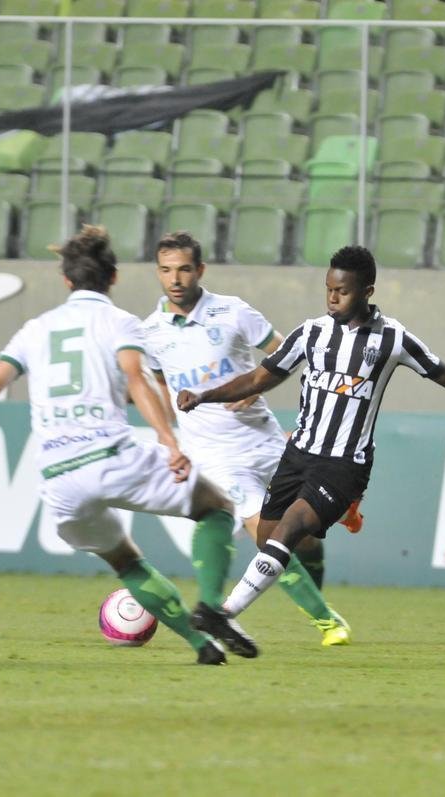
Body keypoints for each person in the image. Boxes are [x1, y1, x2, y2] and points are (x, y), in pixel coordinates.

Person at [0, 225, 258, 665]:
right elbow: (137, 379)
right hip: (112, 456)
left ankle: (201, 647)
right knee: (217, 508)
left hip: (59, 478)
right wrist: (169, 441)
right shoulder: (119, 323)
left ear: (66, 280)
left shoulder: (35, 330)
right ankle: (209, 606)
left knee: (125, 562)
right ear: (113, 277)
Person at [173, 245, 445, 636]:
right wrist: (204, 396)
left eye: (343, 291)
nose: (333, 298)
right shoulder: (311, 333)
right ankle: (339, 517)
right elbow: (258, 378)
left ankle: (223, 614)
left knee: (288, 529)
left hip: (344, 463)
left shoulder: (392, 338)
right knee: (269, 538)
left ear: (367, 291)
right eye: (329, 289)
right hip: (298, 454)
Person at [140, 232, 351, 646]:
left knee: (307, 535)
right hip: (216, 458)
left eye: (184, 269)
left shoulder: (232, 311)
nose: (175, 279)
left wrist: (256, 388)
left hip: (266, 441)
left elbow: (286, 352)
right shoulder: (150, 333)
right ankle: (327, 622)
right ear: (158, 273)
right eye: (166, 270)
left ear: (200, 270)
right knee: (268, 533)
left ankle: (314, 594)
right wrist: (171, 440)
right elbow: (162, 387)